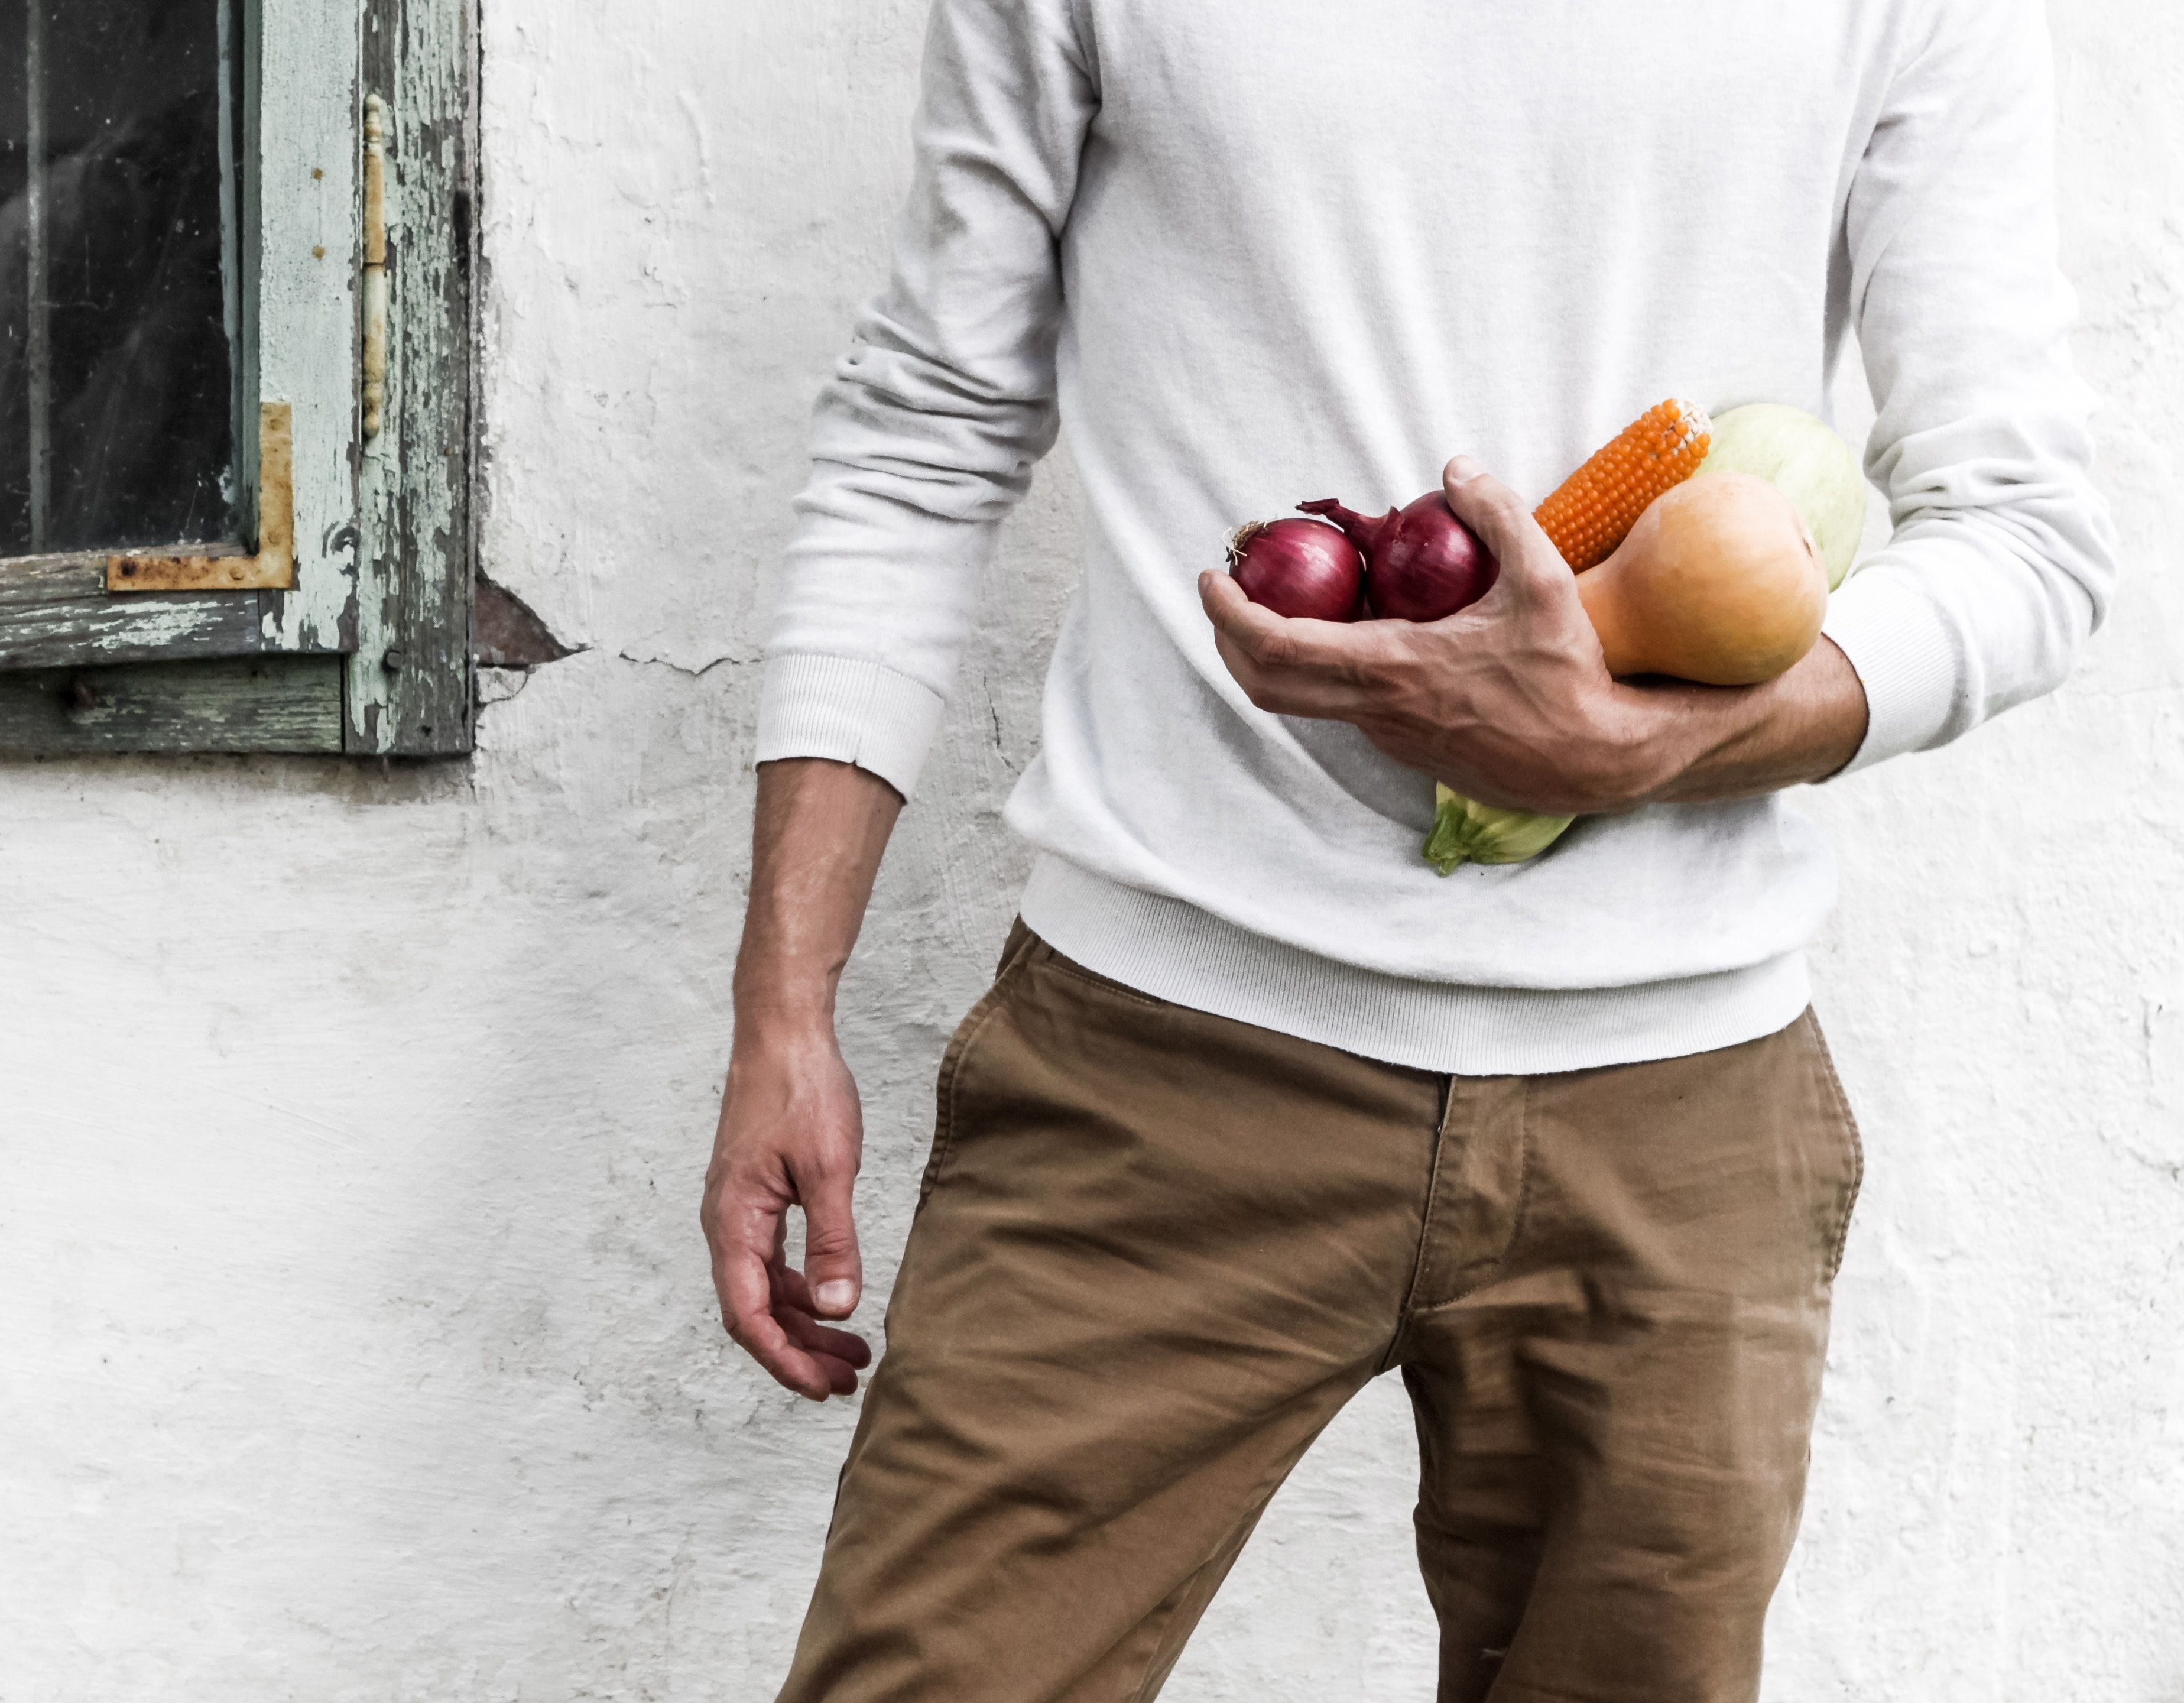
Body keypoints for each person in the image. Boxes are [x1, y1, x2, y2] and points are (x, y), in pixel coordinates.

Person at [700, 2, 2117, 1697]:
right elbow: (919, 437)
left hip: (1675, 1119)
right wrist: (783, 1007)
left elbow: (2022, 535)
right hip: (1154, 1071)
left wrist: (1639, 747)